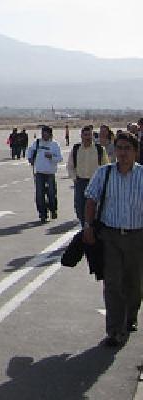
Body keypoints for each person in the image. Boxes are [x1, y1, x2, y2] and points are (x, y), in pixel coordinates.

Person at [83, 132, 143, 347]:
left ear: (135, 152)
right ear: (115, 150)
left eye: (128, 148)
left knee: (134, 284)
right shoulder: (104, 173)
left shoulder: (142, 176)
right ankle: (115, 330)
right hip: (111, 237)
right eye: (120, 148)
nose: (123, 153)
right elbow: (91, 199)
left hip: (137, 237)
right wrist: (88, 226)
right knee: (112, 283)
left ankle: (131, 316)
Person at [67, 125, 109, 226]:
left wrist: (102, 181)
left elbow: (106, 166)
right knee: (80, 207)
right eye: (85, 135)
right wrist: (74, 178)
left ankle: (94, 229)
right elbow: (70, 165)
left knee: (95, 208)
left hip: (95, 183)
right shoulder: (76, 149)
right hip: (80, 182)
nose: (88, 137)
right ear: (81, 136)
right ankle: (84, 227)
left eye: (90, 135)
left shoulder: (99, 149)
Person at [27, 125, 63, 223]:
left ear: (50, 134)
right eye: (42, 133)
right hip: (39, 172)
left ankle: (53, 209)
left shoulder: (54, 145)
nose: (43, 135)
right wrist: (30, 158)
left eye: (45, 133)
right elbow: (30, 151)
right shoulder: (37, 143)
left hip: (50, 173)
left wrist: (52, 157)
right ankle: (42, 213)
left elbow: (60, 158)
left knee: (51, 193)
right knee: (39, 194)